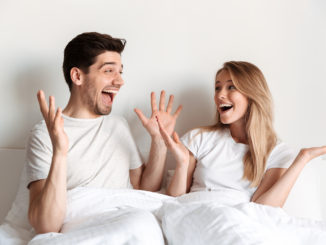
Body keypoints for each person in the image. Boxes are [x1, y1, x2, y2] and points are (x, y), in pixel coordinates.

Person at [26, 32, 182, 234]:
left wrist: (159, 140)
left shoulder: (118, 125)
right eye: (109, 71)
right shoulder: (45, 134)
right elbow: (46, 226)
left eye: (120, 72)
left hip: (129, 219)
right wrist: (60, 151)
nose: (120, 81)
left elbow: (145, 189)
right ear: (77, 76)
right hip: (86, 224)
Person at [157, 61, 326, 207]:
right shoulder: (200, 137)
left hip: (235, 221)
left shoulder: (277, 151)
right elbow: (174, 202)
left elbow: (264, 209)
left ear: (252, 95)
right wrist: (182, 163)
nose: (220, 95)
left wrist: (303, 158)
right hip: (195, 213)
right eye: (217, 88)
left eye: (231, 87)